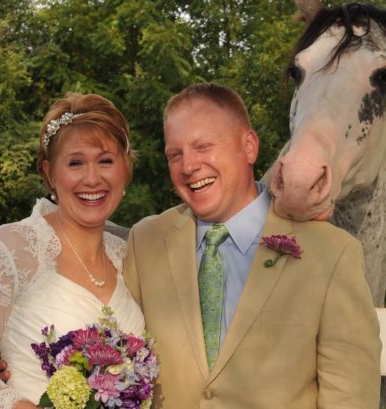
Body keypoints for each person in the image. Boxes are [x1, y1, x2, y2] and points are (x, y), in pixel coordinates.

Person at [122, 82, 381, 408]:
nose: (188, 166)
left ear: (249, 146)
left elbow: (350, 397)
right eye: (175, 154)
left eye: (203, 146)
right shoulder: (145, 241)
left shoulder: (331, 253)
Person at [0, 92, 145, 408]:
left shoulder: (128, 256)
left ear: (125, 169)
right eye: (75, 162)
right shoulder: (10, 249)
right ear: (49, 173)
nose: (92, 178)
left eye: (106, 160)